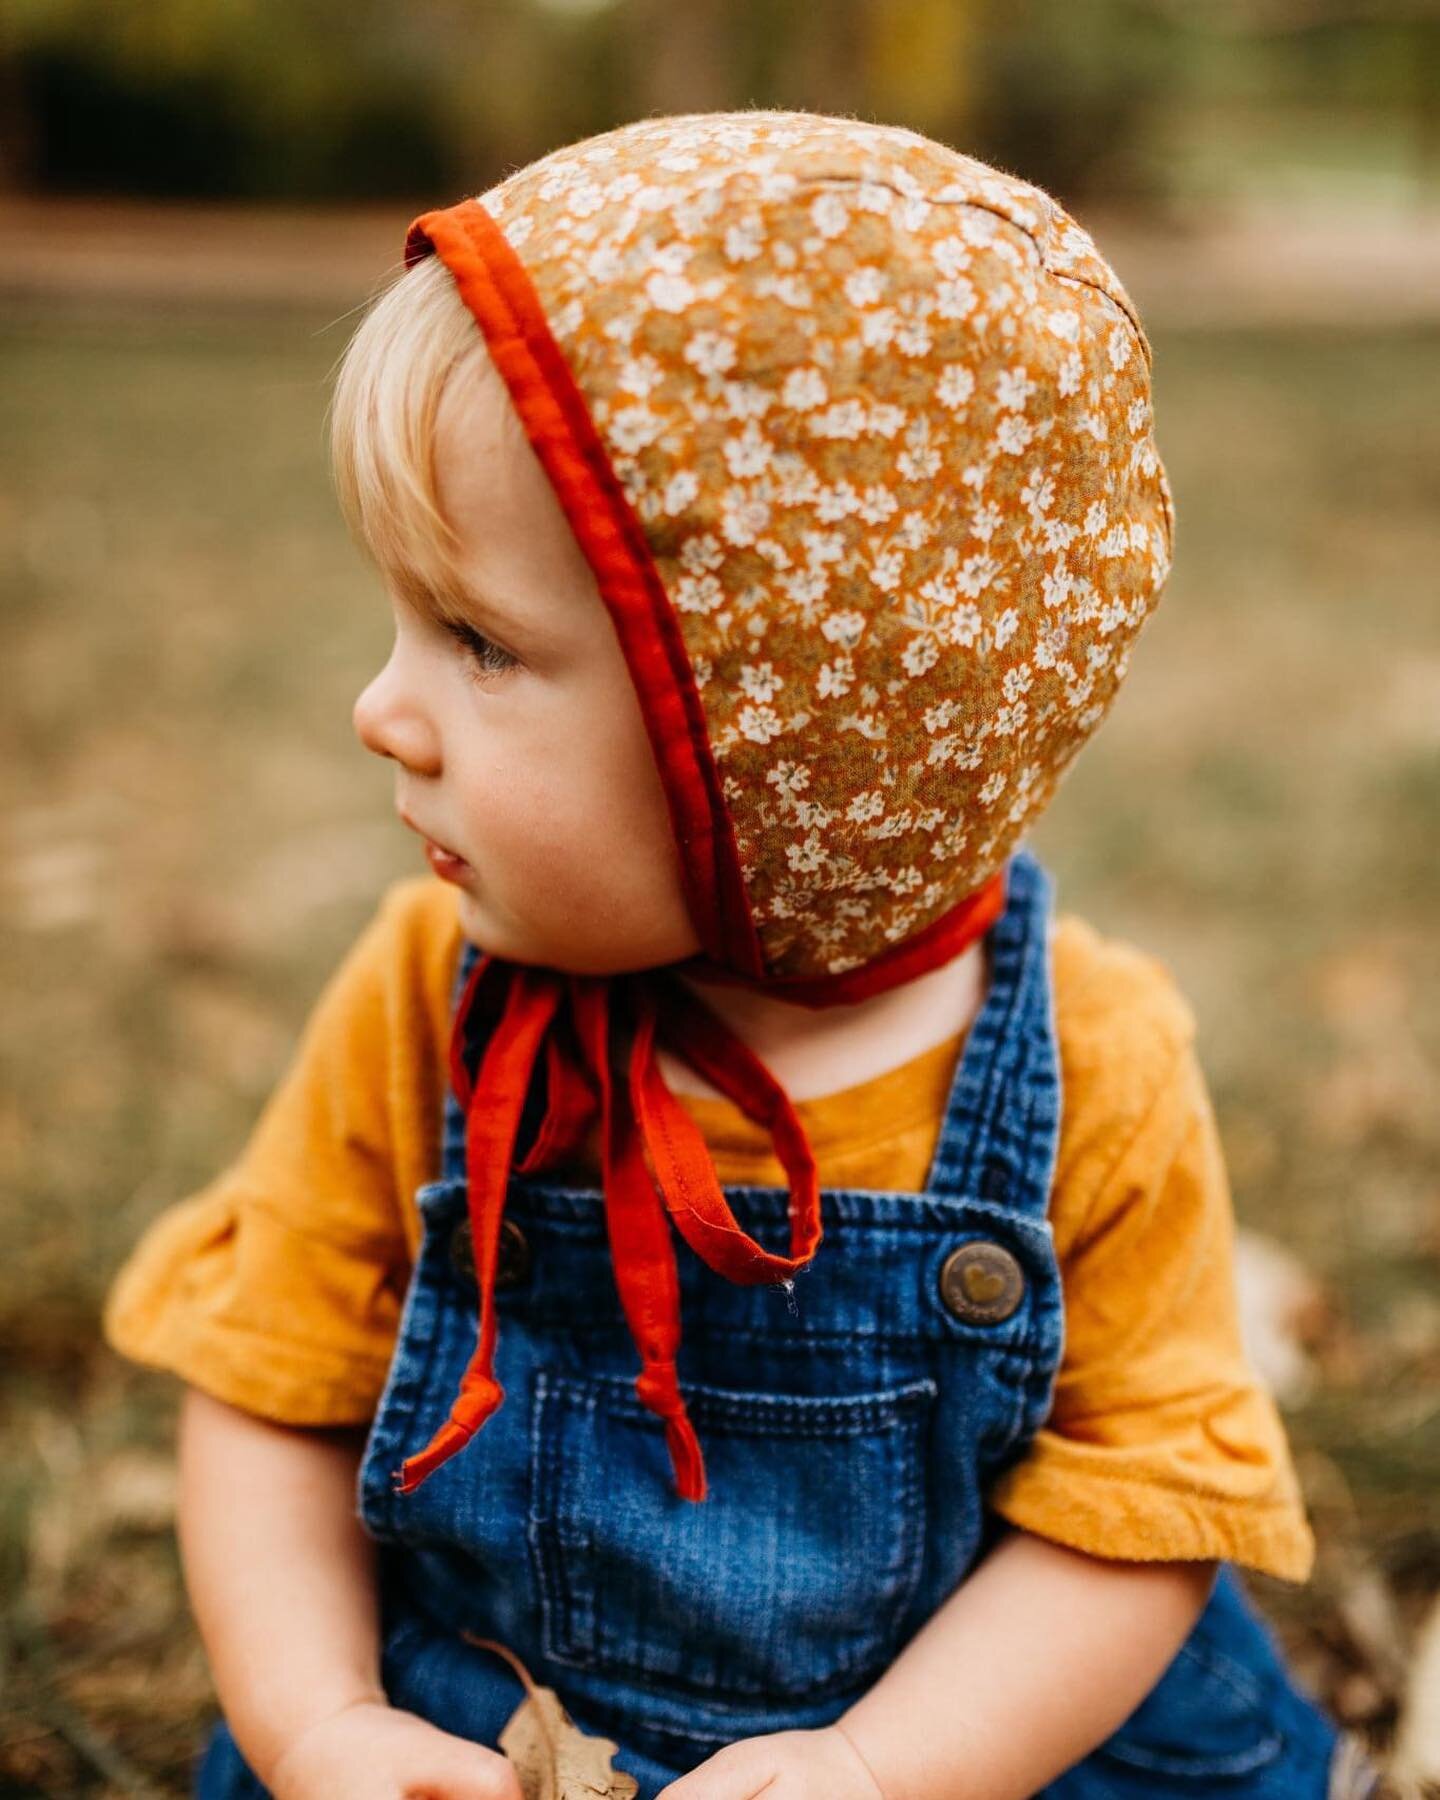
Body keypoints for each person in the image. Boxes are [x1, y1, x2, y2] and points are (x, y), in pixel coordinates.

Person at [101, 109, 1382, 1800]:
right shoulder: (428, 998)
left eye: (478, 642)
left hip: (985, 1741)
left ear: (783, 754)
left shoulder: (1092, 1054)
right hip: (494, 1725)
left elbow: (1135, 1524)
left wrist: (878, 1770)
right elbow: (272, 1396)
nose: (381, 710)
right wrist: (320, 1723)